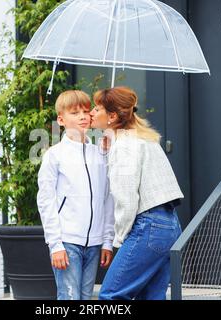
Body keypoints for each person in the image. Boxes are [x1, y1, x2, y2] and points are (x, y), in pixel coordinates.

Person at [89, 86, 184, 300]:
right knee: (150, 297)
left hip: (148, 226)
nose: (91, 113)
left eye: (97, 108)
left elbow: (127, 200)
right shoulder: (143, 139)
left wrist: (119, 240)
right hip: (170, 225)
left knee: (110, 296)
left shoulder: (124, 146)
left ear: (112, 116)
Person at [37, 90, 115, 300]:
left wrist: (107, 241)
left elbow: (108, 198)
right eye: (74, 112)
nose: (82, 116)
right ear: (61, 119)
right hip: (67, 242)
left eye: (86, 110)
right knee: (69, 297)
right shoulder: (54, 155)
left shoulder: (101, 153)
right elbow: (46, 201)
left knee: (86, 297)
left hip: (95, 244)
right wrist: (55, 245)